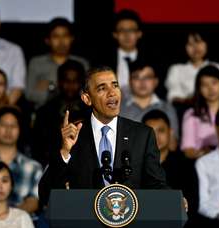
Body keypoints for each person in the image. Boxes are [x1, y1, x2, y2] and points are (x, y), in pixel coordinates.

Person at [39, 66, 168, 205]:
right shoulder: (72, 136)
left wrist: (174, 200)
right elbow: (46, 195)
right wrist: (65, 152)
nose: (112, 93)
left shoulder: (143, 135)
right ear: (87, 99)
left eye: (115, 85)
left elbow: (156, 185)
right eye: (102, 88)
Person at [32, 60, 90, 166]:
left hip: (84, 167)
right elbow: (37, 147)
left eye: (75, 81)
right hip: (51, 167)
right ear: (59, 81)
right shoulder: (45, 111)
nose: (70, 85)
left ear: (82, 83)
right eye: (66, 80)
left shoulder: (90, 111)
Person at [26, 17, 89, 109]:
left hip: (77, 112)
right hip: (43, 114)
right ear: (47, 40)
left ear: (72, 38)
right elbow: (29, 94)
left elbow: (88, 94)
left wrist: (51, 87)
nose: (61, 41)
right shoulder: (36, 63)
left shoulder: (82, 63)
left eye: (65, 36)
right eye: (56, 36)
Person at [120, 61, 178, 149]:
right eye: (136, 77)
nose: (142, 82)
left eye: (147, 77)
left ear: (156, 81)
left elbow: (172, 145)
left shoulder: (167, 108)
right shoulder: (118, 107)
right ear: (130, 82)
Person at [165, 31, 219, 106]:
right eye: (190, 44)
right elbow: (173, 97)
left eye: (199, 42)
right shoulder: (176, 69)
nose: (195, 47)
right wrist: (194, 101)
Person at [142, 109, 184, 190]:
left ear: (170, 132)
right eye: (151, 132)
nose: (156, 137)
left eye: (161, 131)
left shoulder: (185, 166)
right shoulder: (135, 166)